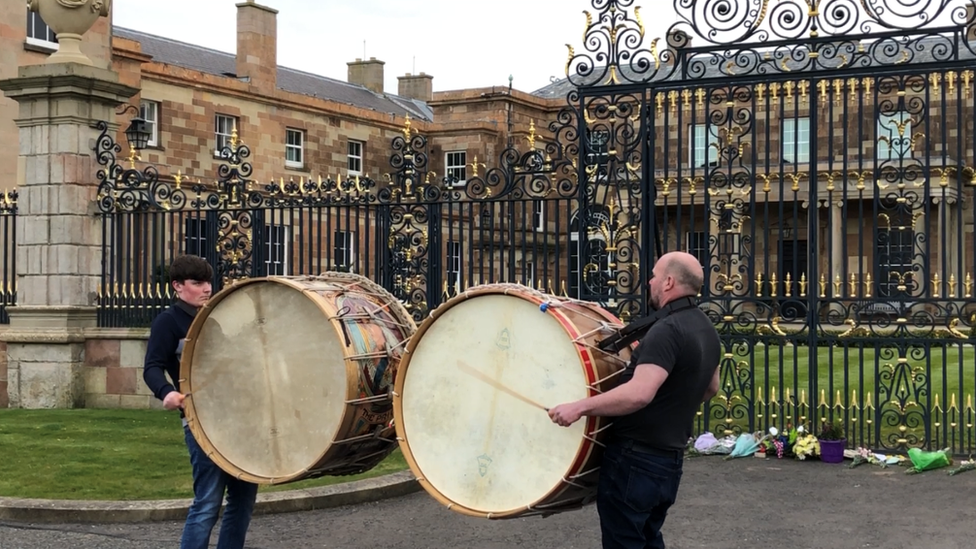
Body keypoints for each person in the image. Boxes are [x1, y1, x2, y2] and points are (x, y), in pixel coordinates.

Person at [548, 251, 721, 549]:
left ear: (668, 282)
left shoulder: (668, 329)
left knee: (625, 542)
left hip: (636, 459)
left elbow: (640, 393)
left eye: (654, 276)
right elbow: (710, 389)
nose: (650, 282)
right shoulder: (706, 328)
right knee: (648, 539)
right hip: (669, 461)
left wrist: (579, 407)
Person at [143, 255, 258, 549]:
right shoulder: (167, 322)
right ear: (177, 286)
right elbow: (152, 366)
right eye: (197, 283)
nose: (206, 288)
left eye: (208, 281)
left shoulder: (213, 319)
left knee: (242, 502)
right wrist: (166, 392)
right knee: (207, 503)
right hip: (201, 421)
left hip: (239, 418)